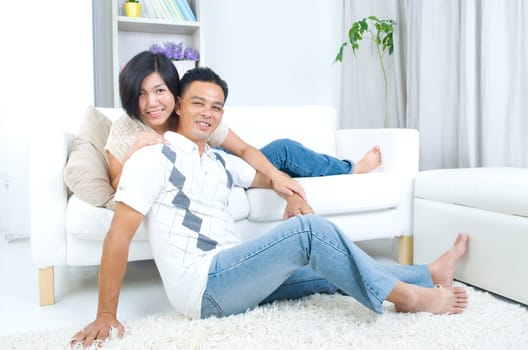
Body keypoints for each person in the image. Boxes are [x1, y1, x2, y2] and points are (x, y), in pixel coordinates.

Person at [71, 67, 468, 349]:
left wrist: (293, 196)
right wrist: (106, 314)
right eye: (198, 103)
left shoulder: (217, 161)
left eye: (217, 106)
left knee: (326, 267)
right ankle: (407, 298)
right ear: (177, 107)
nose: (208, 113)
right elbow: (118, 236)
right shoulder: (150, 158)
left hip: (235, 275)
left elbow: (267, 176)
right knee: (310, 232)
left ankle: (428, 272)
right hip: (203, 286)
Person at [105, 51, 381, 203]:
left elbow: (244, 149)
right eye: (141, 94)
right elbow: (117, 188)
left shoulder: (193, 115)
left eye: (159, 91)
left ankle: (351, 169)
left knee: (283, 151)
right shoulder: (125, 128)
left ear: (175, 96)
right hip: (195, 184)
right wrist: (131, 156)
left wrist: (275, 175)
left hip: (224, 170)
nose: (152, 102)